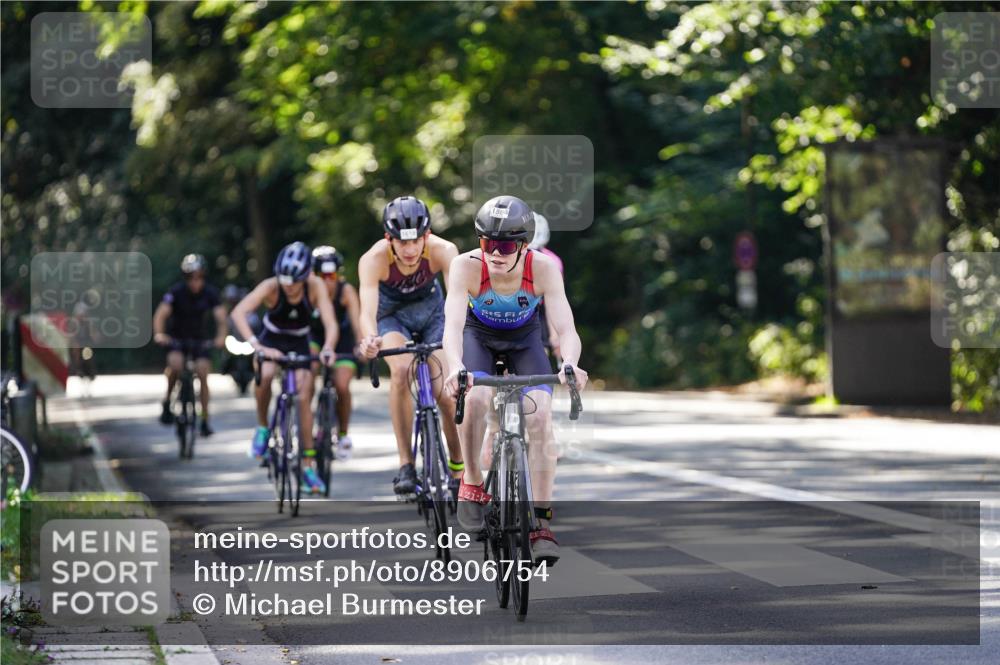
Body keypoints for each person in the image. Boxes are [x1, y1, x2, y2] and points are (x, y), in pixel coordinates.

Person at [442, 195, 589, 565]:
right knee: (473, 399)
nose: (495, 253)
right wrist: (455, 366)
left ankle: (541, 521)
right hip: (478, 338)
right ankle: (472, 483)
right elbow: (453, 328)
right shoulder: (465, 267)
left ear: (523, 245)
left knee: (539, 419)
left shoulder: (542, 269)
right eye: (488, 243)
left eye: (505, 245)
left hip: (525, 341)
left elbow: (566, 328)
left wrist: (570, 363)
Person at [357, 195, 464, 495]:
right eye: (401, 242)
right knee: (401, 370)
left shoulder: (445, 251)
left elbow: (458, 303)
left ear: (427, 236)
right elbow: (367, 312)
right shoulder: (373, 260)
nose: (409, 249)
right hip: (392, 318)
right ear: (388, 239)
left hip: (433, 313)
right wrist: (369, 339)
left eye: (416, 241)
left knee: (446, 392)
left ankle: (458, 468)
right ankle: (406, 464)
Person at [231, 242, 338, 495]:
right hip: (271, 339)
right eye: (285, 279)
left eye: (294, 280)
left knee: (303, 396)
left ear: (306, 276)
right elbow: (238, 313)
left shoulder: (315, 286)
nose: (288, 285)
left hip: (299, 341)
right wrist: (257, 345)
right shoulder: (270, 286)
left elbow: (330, 323)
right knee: (265, 374)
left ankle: (308, 467)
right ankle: (262, 428)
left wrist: (328, 347)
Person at [152, 254, 227, 436]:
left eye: (199, 277)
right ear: (185, 278)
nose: (195, 282)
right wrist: (160, 334)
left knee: (202, 372)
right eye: (191, 277)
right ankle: (167, 401)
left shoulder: (210, 293)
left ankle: (205, 419)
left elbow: (221, 319)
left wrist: (221, 337)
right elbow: (161, 314)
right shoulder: (176, 292)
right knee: (175, 365)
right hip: (177, 339)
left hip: (200, 340)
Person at [309, 245, 363, 460]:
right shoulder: (309, 291)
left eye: (332, 275)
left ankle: (342, 433)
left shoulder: (346, 291)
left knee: (342, 385)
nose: (328, 280)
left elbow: (358, 324)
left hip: (343, 342)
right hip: (315, 339)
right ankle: (308, 420)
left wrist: (361, 346)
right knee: (308, 374)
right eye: (322, 275)